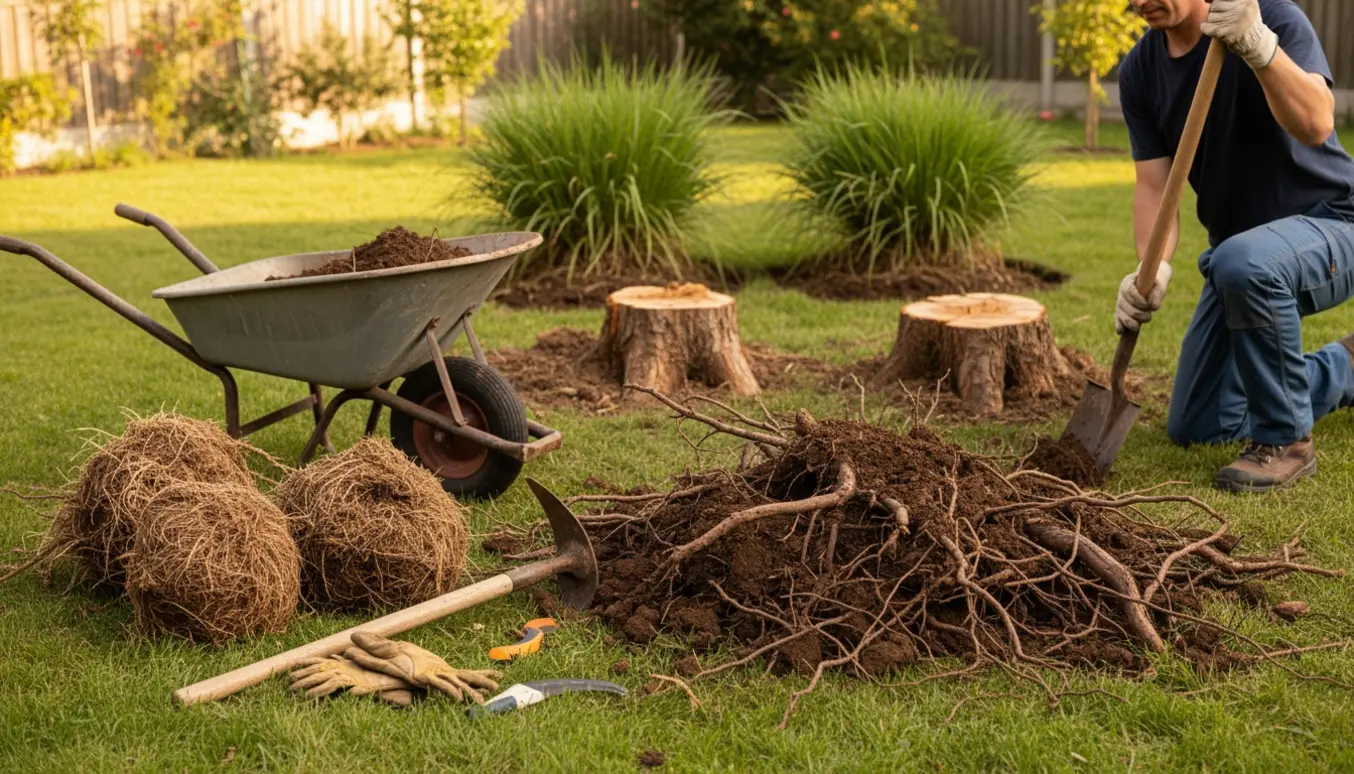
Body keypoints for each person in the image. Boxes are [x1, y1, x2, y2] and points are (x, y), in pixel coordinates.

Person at [1116, 0, 1354, 492]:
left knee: (1243, 263)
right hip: (1241, 258)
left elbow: (1317, 123)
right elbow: (1155, 187)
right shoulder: (1140, 68)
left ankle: (1285, 440)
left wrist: (1260, 48)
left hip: (1333, 222)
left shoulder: (1272, 16)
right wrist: (1151, 265)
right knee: (1200, 423)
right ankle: (1346, 367)